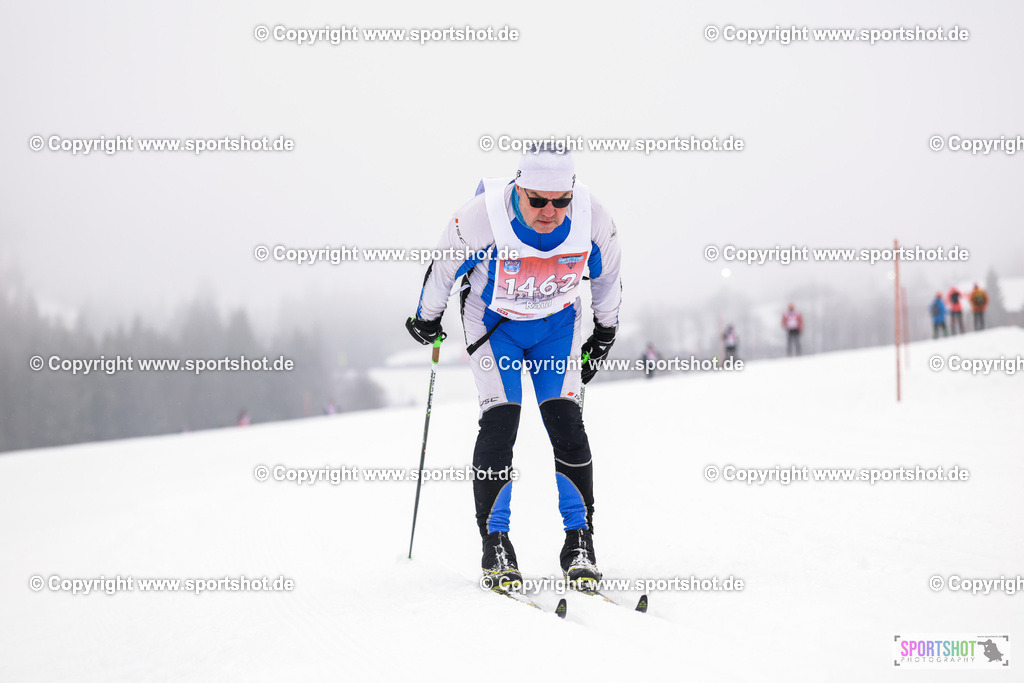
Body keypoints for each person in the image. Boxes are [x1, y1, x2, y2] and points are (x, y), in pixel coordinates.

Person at [405, 144, 622, 590]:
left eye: (560, 201)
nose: (549, 211)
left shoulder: (593, 219)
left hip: (556, 327)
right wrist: (426, 318)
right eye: (537, 200)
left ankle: (580, 541)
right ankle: (496, 543)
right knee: (501, 424)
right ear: (518, 188)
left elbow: (607, 279)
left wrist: (604, 333)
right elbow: (444, 269)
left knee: (567, 423)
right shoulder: (480, 217)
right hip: (493, 325)